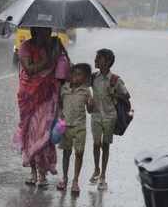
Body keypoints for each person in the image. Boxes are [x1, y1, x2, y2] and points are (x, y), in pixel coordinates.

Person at [13, 27, 70, 187]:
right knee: (30, 133)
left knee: (44, 134)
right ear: (34, 31)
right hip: (28, 97)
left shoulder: (55, 45)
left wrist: (59, 52)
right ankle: (33, 172)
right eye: (40, 30)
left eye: (47, 30)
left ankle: (42, 174)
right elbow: (30, 70)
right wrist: (48, 60)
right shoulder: (25, 47)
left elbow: (65, 68)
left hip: (48, 96)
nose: (45, 33)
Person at [89, 49, 130, 190]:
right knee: (96, 143)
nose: (95, 60)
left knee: (105, 145)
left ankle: (103, 176)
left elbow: (126, 96)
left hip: (110, 117)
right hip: (95, 116)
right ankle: (96, 169)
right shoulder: (93, 77)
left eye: (98, 58)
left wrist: (115, 94)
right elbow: (80, 83)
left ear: (107, 62)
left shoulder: (115, 80)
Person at [56, 63, 93, 193]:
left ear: (85, 78)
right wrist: (60, 113)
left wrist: (90, 104)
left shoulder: (86, 91)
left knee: (79, 153)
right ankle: (65, 178)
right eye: (73, 74)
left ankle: (75, 180)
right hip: (66, 126)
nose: (75, 77)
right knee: (66, 153)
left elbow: (90, 110)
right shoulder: (64, 89)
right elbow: (60, 104)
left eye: (79, 75)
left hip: (79, 127)